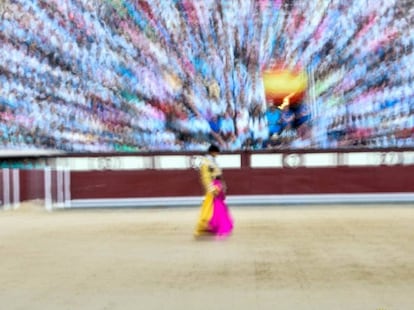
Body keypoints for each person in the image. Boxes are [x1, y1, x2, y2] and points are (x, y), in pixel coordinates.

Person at [194, 144, 233, 238]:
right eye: (216, 152)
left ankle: (213, 226)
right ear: (212, 152)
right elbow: (206, 177)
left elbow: (218, 175)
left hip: (217, 185)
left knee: (218, 206)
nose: (217, 154)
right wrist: (211, 188)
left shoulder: (213, 161)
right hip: (213, 186)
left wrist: (222, 185)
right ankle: (207, 226)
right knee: (213, 207)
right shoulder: (206, 162)